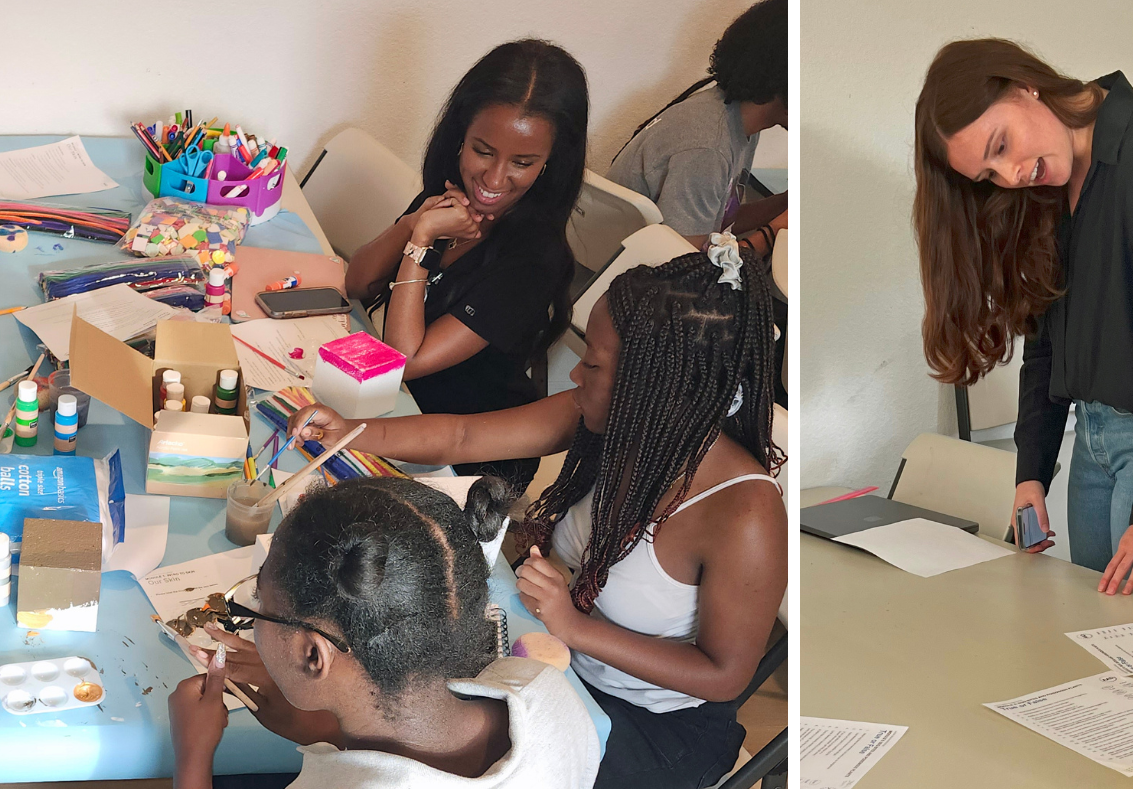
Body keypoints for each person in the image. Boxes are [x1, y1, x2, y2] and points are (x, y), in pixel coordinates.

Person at [288, 250, 786, 789]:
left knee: (415, 742)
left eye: (592, 364)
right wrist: (351, 430)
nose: (574, 372)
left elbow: (723, 674)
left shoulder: (745, 515)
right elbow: (465, 436)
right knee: (377, 700)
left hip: (648, 725)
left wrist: (573, 624)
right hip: (553, 658)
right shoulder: (617, 419)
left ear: (655, 386)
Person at [913, 38, 1133, 594]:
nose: (1011, 174)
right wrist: (1032, 472)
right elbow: (1044, 337)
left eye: (1001, 145)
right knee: (1099, 643)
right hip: (1091, 441)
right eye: (989, 175)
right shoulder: (1052, 184)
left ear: (1023, 85)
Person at [166, 476, 601, 788]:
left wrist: (193, 754)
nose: (256, 617)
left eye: (260, 604)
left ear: (314, 655)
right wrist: (323, 727)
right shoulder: (544, 691)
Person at [342, 39, 589, 493]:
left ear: (552, 163)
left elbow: (404, 360)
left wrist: (420, 240)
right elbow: (356, 282)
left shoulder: (534, 260)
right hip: (404, 413)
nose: (494, 181)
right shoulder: (445, 200)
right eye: (483, 150)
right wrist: (418, 220)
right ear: (460, 136)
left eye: (523, 162)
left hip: (469, 462)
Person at [607, 0, 788, 256]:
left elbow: (718, 220)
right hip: (628, 283)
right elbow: (684, 272)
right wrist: (772, 232)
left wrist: (784, 204)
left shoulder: (732, 114)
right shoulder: (707, 148)